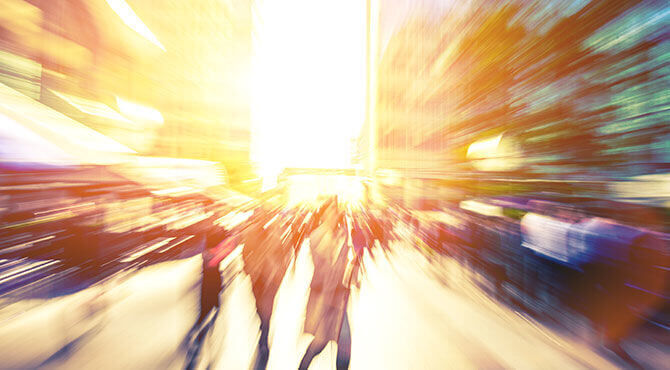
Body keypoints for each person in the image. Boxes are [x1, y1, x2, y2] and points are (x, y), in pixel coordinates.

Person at [299, 199, 353, 370]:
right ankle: (302, 367)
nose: (335, 213)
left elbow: (344, 264)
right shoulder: (317, 236)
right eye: (332, 210)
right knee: (320, 343)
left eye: (336, 210)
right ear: (323, 214)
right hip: (323, 299)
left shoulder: (342, 234)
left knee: (344, 341)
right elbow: (326, 266)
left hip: (338, 299)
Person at [243, 209, 291, 370]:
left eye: (264, 216)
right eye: (259, 216)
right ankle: (263, 324)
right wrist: (249, 269)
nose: (262, 219)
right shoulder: (250, 232)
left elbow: (284, 253)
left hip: (270, 279)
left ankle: (264, 335)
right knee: (258, 307)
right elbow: (244, 254)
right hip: (256, 279)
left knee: (267, 309)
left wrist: (280, 271)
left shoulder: (275, 233)